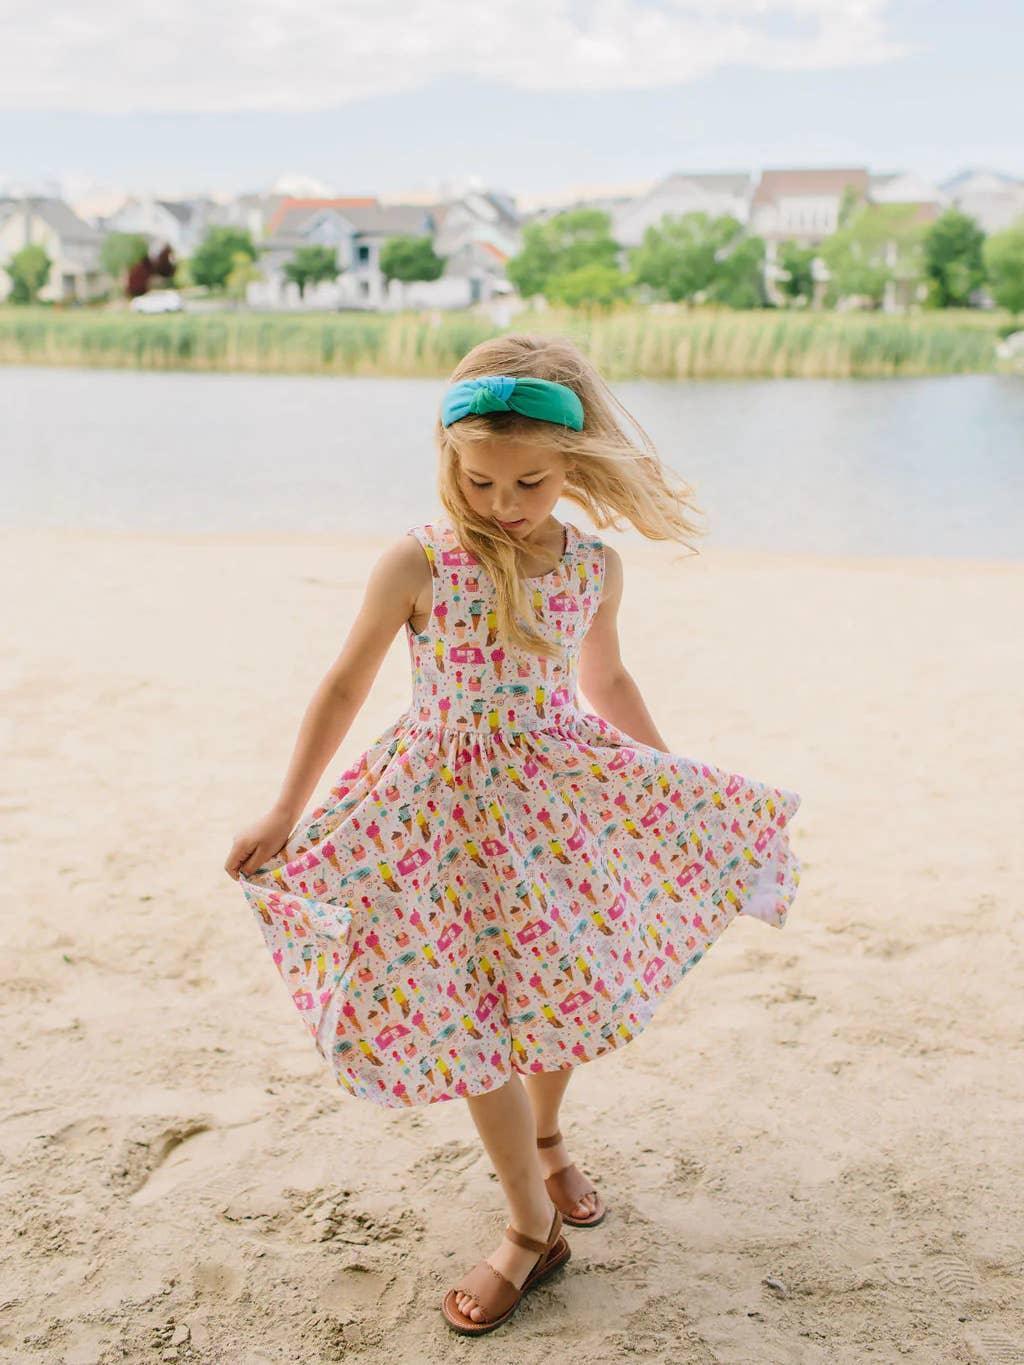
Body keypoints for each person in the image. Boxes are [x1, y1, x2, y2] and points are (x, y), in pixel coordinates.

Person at [223, 332, 803, 1336]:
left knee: (553, 986)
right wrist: (284, 807)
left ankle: (545, 1139)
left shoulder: (592, 565)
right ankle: (531, 1228)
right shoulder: (419, 558)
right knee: (471, 1006)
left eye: (529, 481)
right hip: (435, 812)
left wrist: (673, 792)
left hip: (552, 803)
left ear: (572, 467)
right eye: (480, 479)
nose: (503, 502)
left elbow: (606, 681)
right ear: (449, 461)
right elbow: (346, 681)